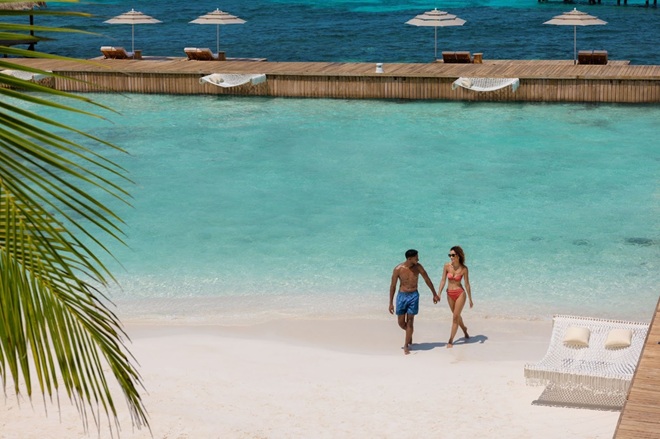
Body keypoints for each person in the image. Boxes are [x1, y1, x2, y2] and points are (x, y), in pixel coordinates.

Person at [389, 249, 440, 355]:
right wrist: (390, 303)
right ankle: (409, 333)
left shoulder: (418, 267)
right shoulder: (398, 269)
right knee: (401, 323)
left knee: (410, 321)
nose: (418, 259)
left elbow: (427, 279)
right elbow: (393, 286)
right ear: (409, 259)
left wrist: (434, 294)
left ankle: (406, 345)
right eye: (416, 258)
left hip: (414, 296)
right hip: (402, 296)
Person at [437, 246, 473, 348]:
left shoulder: (464, 269)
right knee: (456, 315)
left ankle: (450, 340)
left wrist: (470, 299)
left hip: (460, 293)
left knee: (455, 317)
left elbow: (467, 284)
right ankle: (464, 329)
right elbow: (443, 280)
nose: (451, 257)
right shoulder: (447, 266)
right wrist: (439, 293)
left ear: (458, 256)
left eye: (453, 255)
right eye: (450, 255)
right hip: (449, 294)